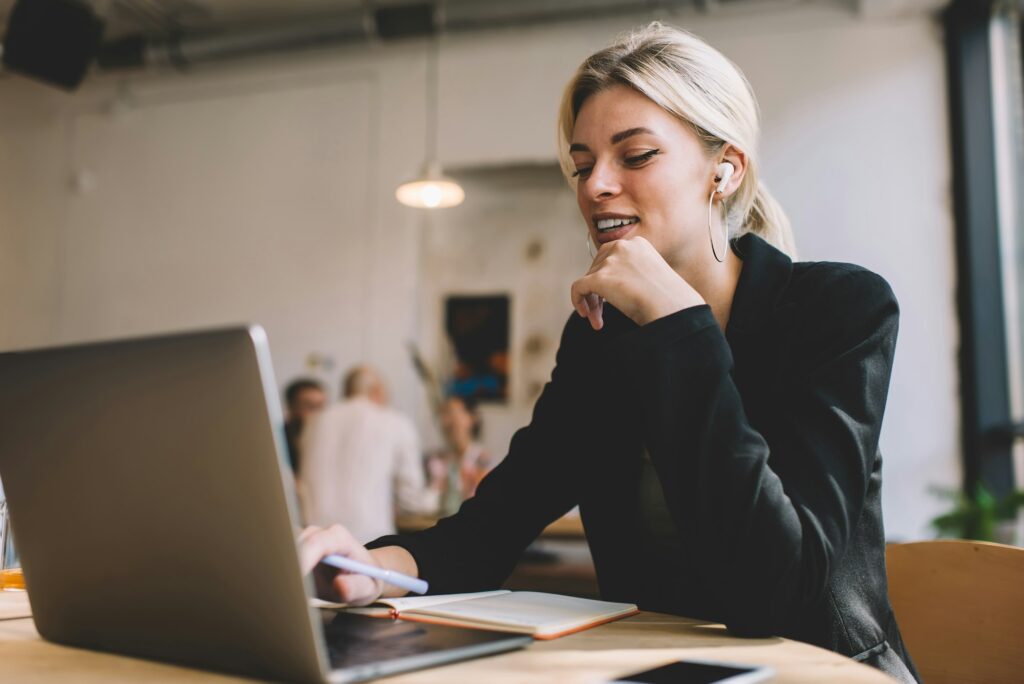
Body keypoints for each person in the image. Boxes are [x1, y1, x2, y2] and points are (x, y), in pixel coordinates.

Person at [298, 23, 919, 682]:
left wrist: (677, 320)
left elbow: (778, 589)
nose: (595, 186)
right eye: (583, 163)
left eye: (636, 155)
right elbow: (491, 529)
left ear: (725, 169)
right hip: (661, 668)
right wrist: (370, 570)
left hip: (818, 671)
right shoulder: (603, 340)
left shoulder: (839, 309)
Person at [299, 365, 439, 542]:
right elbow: (411, 500)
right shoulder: (395, 422)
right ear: (377, 391)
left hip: (313, 540)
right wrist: (436, 493)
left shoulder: (314, 422)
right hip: (367, 544)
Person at [426, 396, 492, 516]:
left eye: (454, 413)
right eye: (444, 415)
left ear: (472, 418)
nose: (449, 421)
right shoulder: (436, 461)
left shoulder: (483, 461)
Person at [283, 378, 327, 473]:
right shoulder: (280, 439)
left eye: (321, 406)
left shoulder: (327, 438)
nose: (318, 413)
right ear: (291, 407)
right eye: (310, 406)